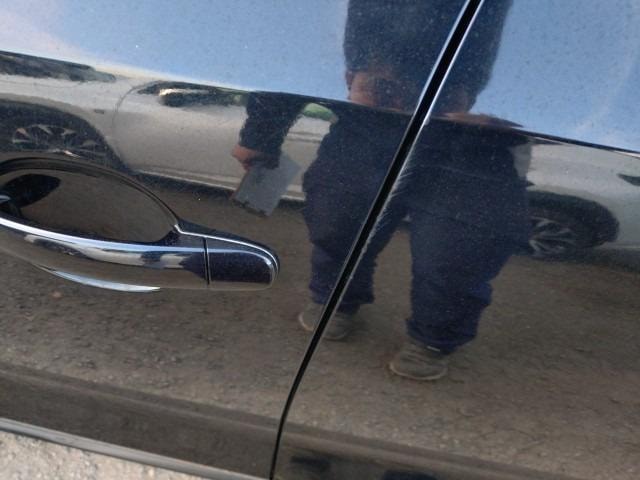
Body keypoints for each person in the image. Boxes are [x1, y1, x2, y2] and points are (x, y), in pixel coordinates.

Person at [232, 0, 524, 380]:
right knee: (337, 223)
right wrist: (260, 133)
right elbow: (295, 40)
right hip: (367, 118)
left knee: (457, 253)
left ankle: (433, 339)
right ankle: (336, 298)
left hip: (474, 133)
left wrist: (512, 112)